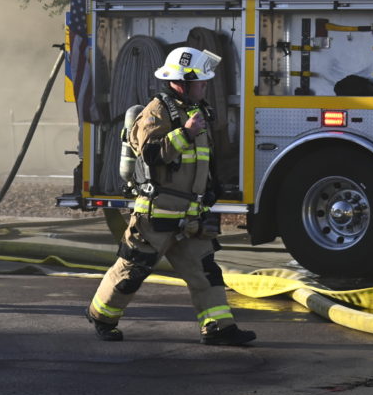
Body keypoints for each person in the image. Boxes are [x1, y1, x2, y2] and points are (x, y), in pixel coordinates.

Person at [86, 46, 256, 346]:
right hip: (157, 215)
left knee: (205, 271)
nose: (205, 86)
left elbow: (202, 160)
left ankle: (219, 328)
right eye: (200, 82)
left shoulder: (197, 111)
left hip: (190, 216)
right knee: (132, 270)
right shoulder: (156, 112)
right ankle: (102, 316)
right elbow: (151, 155)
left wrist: (212, 189)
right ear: (181, 82)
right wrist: (184, 133)